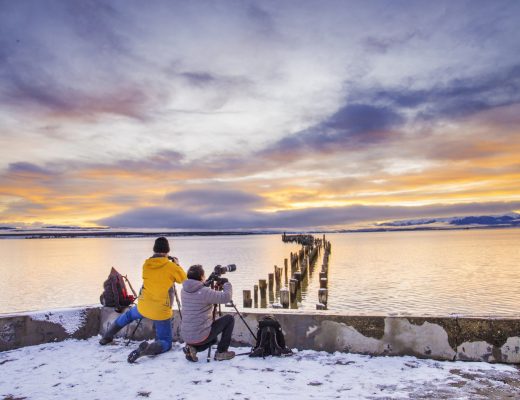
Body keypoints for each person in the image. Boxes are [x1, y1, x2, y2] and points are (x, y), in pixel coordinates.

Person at [99, 237, 187, 363]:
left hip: (143, 306)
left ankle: (107, 336)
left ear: (154, 249)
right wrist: (176, 264)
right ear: (167, 250)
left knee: (128, 316)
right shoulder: (171, 267)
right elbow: (183, 279)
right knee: (166, 342)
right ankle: (147, 350)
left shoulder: (146, 264)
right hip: (160, 311)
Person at [181, 264, 235, 362]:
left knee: (213, 339)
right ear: (201, 277)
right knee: (229, 319)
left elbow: (198, 289)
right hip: (201, 335)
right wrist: (226, 284)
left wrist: (208, 281)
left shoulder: (184, 290)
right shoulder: (205, 292)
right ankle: (221, 353)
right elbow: (226, 297)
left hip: (187, 336)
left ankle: (193, 348)